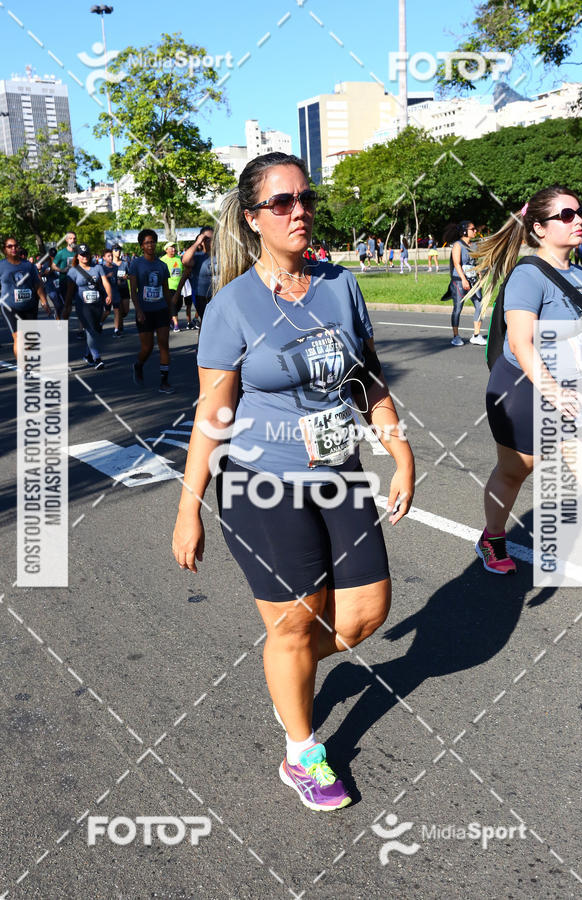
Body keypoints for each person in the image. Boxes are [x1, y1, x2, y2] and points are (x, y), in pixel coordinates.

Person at [171, 152, 415, 811]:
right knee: (295, 623)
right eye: (282, 203)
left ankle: (290, 668)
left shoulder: (340, 285)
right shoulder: (233, 306)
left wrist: (399, 447)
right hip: (261, 485)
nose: (299, 210)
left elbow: (365, 377)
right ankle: (303, 750)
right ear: (253, 220)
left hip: (339, 475)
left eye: (305, 198)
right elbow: (213, 413)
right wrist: (189, 507)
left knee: (367, 613)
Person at [475, 186, 582, 574]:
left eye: (580, 213)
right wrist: (553, 391)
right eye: (566, 215)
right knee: (515, 471)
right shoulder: (528, 276)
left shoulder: (579, 272)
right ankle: (492, 537)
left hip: (577, 392)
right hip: (524, 389)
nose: (578, 220)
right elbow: (520, 341)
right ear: (540, 228)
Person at [130, 228, 174, 394]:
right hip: (144, 311)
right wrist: (139, 310)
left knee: (164, 345)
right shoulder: (136, 264)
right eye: (147, 242)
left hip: (161, 309)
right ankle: (138, 365)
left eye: (152, 242)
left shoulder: (162, 265)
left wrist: (172, 312)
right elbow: (133, 290)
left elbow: (166, 290)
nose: (150, 245)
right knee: (147, 348)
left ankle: (164, 382)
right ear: (142, 245)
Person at [62, 244, 112, 370]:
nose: (84, 257)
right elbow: (69, 291)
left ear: (90, 255)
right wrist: (67, 306)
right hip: (82, 305)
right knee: (90, 329)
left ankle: (87, 355)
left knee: (94, 329)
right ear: (77, 256)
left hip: (97, 304)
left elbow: (105, 282)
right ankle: (96, 358)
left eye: (86, 254)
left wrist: (109, 295)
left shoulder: (98, 267)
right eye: (82, 255)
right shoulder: (73, 271)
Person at [0, 235, 50, 357]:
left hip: (30, 306)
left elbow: (37, 284)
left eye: (15, 246)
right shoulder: (1, 266)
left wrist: (44, 301)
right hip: (10, 307)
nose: (13, 248)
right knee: (19, 337)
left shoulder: (28, 265)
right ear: (4, 249)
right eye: (10, 246)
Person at [444, 220, 485, 347]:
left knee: (480, 305)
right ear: (464, 231)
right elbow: (457, 264)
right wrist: (463, 279)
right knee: (458, 308)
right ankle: (456, 336)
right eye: (472, 229)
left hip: (473, 281)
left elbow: (475, 263)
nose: (475, 231)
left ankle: (476, 335)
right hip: (459, 281)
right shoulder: (458, 245)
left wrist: (479, 275)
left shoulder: (473, 246)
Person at [179, 228, 214, 330]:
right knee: (206, 324)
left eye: (213, 238)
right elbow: (185, 261)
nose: (211, 241)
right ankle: (203, 345)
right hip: (202, 297)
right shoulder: (197, 257)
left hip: (219, 295)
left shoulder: (222, 255)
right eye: (207, 239)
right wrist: (197, 242)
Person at [53, 231, 84, 340]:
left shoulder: (79, 252)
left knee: (81, 306)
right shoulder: (61, 253)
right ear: (66, 240)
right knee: (68, 307)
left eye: (74, 238)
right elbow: (53, 266)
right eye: (70, 238)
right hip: (65, 282)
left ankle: (81, 331)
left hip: (78, 283)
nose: (73, 240)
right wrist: (62, 269)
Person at [160, 242, 184, 332]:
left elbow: (184, 270)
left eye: (174, 247)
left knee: (179, 304)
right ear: (166, 250)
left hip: (179, 286)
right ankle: (176, 324)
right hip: (168, 286)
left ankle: (170, 318)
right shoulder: (163, 260)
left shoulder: (179, 259)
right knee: (172, 304)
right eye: (171, 248)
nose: (173, 249)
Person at [112, 244, 130, 335]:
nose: (118, 252)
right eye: (116, 250)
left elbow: (130, 275)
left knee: (126, 311)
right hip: (115, 290)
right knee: (118, 310)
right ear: (112, 251)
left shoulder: (125, 263)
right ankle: (118, 327)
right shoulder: (110, 264)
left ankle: (120, 321)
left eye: (119, 250)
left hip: (124, 288)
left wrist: (126, 277)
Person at [99, 247, 119, 329]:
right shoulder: (102, 268)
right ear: (104, 258)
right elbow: (98, 280)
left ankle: (116, 329)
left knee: (117, 310)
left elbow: (117, 279)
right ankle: (99, 322)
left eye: (111, 256)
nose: (110, 257)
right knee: (107, 311)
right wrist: (107, 276)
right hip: (106, 293)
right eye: (108, 256)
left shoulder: (115, 267)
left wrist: (121, 279)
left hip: (116, 292)